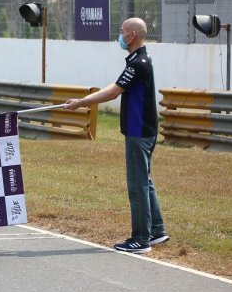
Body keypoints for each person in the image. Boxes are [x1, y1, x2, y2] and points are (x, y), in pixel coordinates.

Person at [63, 17, 167, 254]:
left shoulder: (138, 63)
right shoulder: (138, 60)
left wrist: (82, 102)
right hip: (143, 130)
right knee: (145, 181)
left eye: (122, 32)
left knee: (137, 184)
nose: (119, 35)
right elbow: (117, 85)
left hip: (138, 131)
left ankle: (141, 239)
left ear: (132, 35)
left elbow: (114, 92)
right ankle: (157, 230)